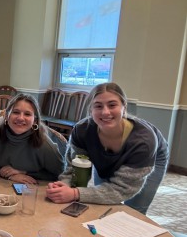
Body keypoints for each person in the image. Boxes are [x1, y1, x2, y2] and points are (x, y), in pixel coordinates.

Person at [46, 82, 169, 214]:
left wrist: (75, 193)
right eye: (98, 106)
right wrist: (64, 184)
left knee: (134, 210)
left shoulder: (143, 142)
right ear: (90, 110)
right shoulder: (82, 131)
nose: (105, 112)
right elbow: (73, 169)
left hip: (150, 159)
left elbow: (120, 190)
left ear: (124, 106)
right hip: (106, 158)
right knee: (103, 204)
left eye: (112, 105)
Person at [0, 93, 64, 183]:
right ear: (6, 116)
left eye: (27, 114)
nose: (21, 118)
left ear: (35, 121)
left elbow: (60, 174)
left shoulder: (45, 145)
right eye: (16, 112)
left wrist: (25, 173)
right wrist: (6, 174)